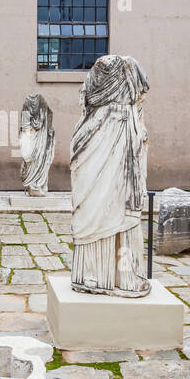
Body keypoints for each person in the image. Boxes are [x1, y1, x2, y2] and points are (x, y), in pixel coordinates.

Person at [69, 55, 150, 298]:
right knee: (108, 216)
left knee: (115, 218)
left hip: (112, 178)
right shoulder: (123, 115)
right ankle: (111, 276)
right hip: (101, 174)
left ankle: (111, 275)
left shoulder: (114, 115)